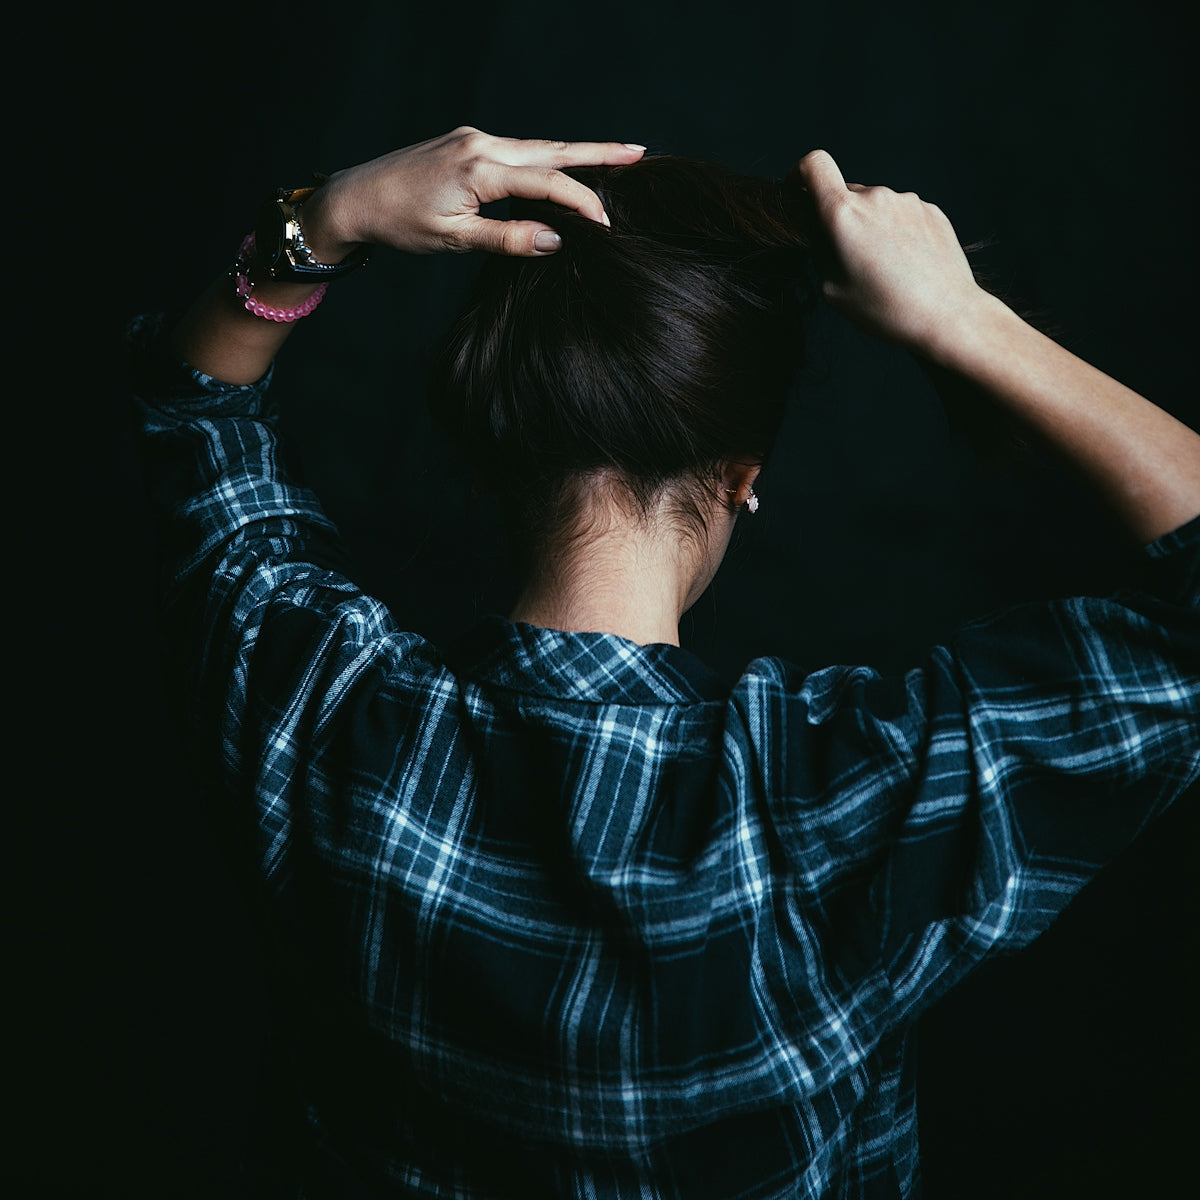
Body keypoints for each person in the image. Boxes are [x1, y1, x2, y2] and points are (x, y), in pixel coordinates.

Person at [130, 127, 1200, 1198]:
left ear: (497, 437)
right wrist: (965, 320)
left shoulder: (317, 715)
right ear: (742, 475)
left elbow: (195, 413)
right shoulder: (843, 802)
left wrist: (325, 221)